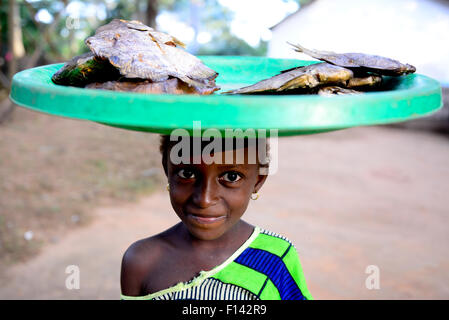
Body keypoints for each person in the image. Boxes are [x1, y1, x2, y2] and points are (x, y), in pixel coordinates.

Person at [120, 134, 312, 300]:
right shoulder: (141, 261)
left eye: (231, 177)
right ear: (167, 171)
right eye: (187, 173)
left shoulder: (274, 258)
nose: (204, 199)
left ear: (258, 180)